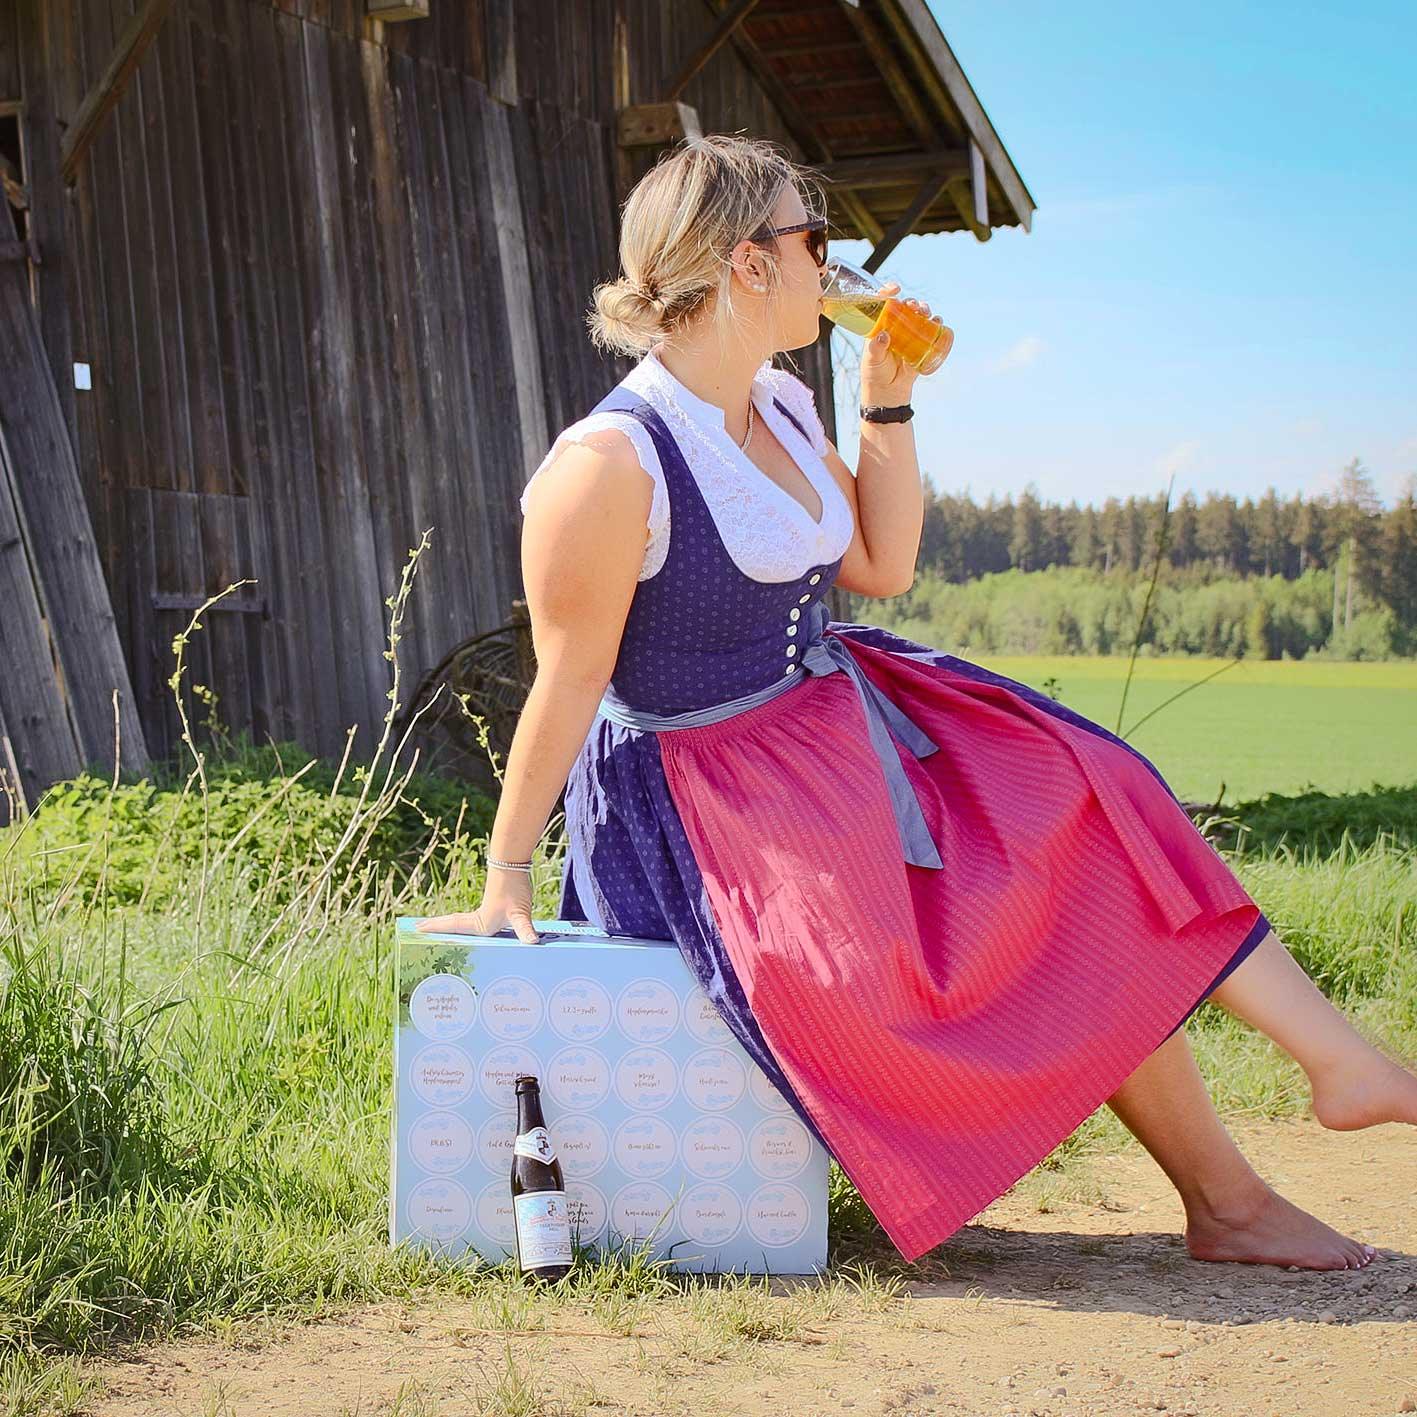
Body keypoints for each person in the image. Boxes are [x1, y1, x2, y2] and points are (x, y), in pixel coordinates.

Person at [418, 133, 1417, 1270]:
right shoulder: (609, 462)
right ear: (746, 263)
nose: (832, 266)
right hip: (708, 792)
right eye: (815, 240)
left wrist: (886, 400)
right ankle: (1237, 1187)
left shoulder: (785, 406)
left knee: (1095, 791)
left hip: (836, 717)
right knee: (949, 942)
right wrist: (505, 875)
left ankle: (1320, 1081)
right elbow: (569, 678)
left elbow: (880, 566)